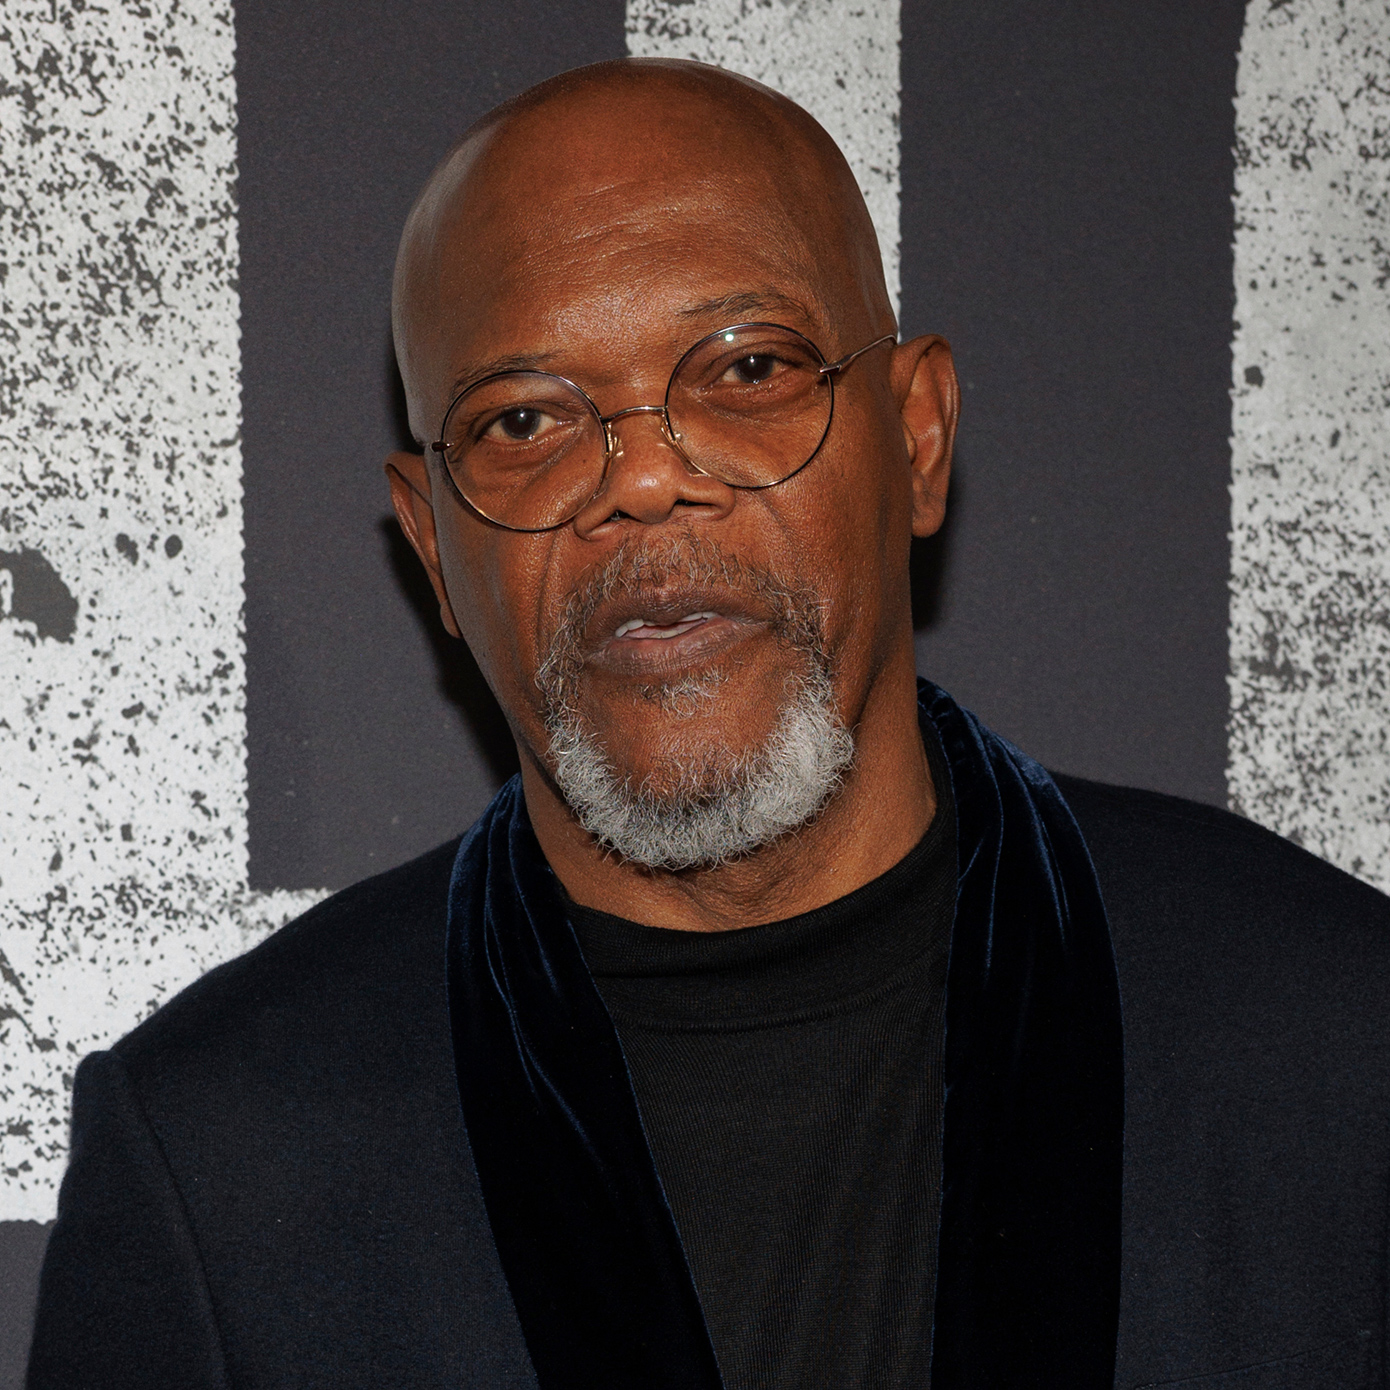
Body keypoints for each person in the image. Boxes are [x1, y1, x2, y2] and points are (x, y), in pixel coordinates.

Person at [26, 58, 1390, 1390]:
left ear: (916, 439)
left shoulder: (1335, 1041)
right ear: (434, 546)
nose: (642, 478)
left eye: (746, 369)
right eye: (523, 419)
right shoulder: (223, 1164)